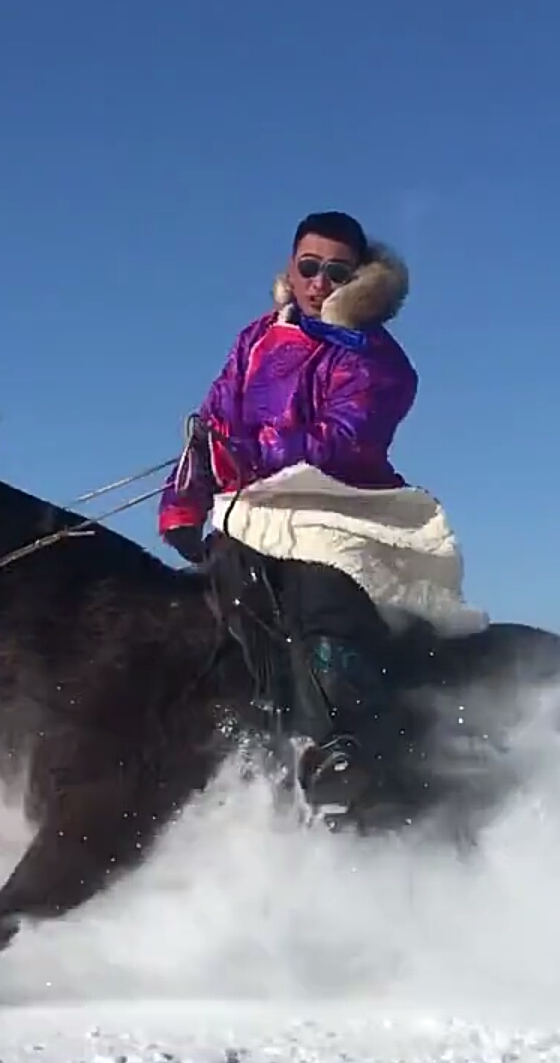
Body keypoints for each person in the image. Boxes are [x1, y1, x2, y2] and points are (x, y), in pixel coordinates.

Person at [158, 210, 418, 817]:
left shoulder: (375, 354)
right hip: (251, 508)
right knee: (223, 591)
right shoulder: (257, 339)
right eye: (309, 266)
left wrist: (264, 449)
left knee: (315, 583)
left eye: (336, 270)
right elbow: (214, 419)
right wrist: (184, 501)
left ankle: (344, 741)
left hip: (338, 503)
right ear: (291, 268)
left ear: (359, 276)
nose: (320, 280)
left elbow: (352, 434)